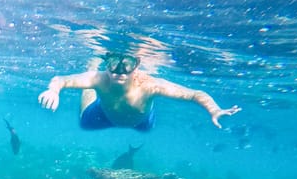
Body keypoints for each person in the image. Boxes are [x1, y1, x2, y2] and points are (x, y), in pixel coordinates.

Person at [38, 52, 241, 131]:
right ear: (106, 64)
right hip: (103, 113)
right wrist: (53, 90)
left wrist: (214, 110)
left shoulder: (150, 85)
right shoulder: (99, 78)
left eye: (126, 64)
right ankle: (91, 94)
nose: (119, 70)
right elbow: (61, 80)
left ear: (137, 65)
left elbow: (194, 94)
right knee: (85, 123)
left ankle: (148, 109)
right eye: (113, 64)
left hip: (141, 120)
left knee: (146, 129)